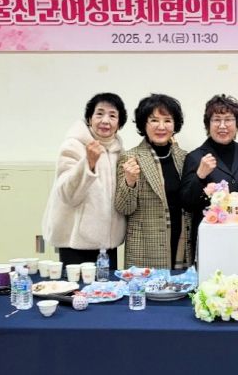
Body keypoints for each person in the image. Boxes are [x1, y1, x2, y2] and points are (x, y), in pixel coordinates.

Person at [42, 92, 127, 269]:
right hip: (75, 243)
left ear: (119, 124)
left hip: (107, 245)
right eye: (99, 114)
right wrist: (88, 163)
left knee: (108, 286)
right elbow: (67, 194)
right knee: (78, 287)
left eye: (112, 116)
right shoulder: (74, 145)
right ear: (89, 119)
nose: (105, 121)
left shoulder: (119, 151)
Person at [115, 93, 192, 269]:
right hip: (145, 248)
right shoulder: (130, 157)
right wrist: (130, 181)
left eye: (167, 120)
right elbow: (124, 208)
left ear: (175, 124)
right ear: (144, 124)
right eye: (154, 120)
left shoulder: (184, 157)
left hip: (181, 243)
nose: (161, 126)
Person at [180, 94, 238, 249]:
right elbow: (186, 203)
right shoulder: (195, 157)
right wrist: (200, 175)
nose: (222, 125)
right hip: (210, 239)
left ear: (237, 124)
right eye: (216, 120)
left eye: (228, 119)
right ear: (208, 125)